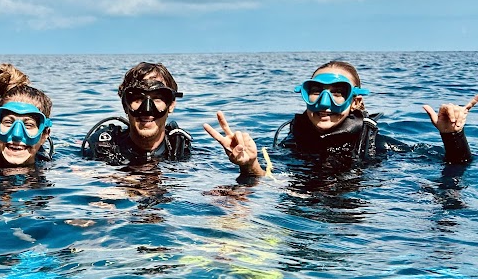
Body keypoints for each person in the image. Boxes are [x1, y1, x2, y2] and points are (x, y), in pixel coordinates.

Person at [205, 60, 475, 176]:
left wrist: (452, 136)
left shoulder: (377, 146)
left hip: (354, 229)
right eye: (316, 92)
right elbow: (266, 184)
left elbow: (455, 167)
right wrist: (249, 165)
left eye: (337, 93)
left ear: (355, 100)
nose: (325, 104)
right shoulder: (291, 146)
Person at [82, 62, 191, 166]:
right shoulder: (104, 148)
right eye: (138, 99)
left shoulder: (181, 149)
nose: (147, 110)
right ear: (125, 105)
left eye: (157, 99)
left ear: (171, 105)